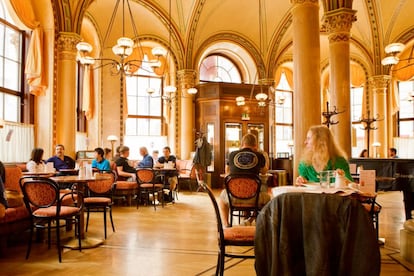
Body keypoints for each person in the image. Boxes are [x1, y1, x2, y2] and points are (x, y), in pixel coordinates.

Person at [218, 133, 270, 227]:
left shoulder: (232, 154)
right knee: (268, 198)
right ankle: (253, 221)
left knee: (222, 198)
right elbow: (264, 171)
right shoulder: (259, 155)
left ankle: (226, 225)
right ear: (256, 145)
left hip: (234, 198)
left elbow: (227, 171)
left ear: (241, 145)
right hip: (254, 198)